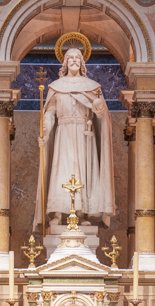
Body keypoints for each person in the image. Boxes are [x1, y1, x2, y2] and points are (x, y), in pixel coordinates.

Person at [42, 47, 113, 229]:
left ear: (82, 63)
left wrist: (99, 110)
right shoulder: (56, 87)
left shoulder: (92, 87)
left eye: (77, 58)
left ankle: (82, 214)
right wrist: (45, 130)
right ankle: (57, 213)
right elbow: (49, 113)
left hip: (84, 134)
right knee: (62, 171)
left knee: (83, 172)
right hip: (63, 134)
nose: (74, 60)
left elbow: (101, 117)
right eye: (70, 57)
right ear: (65, 63)